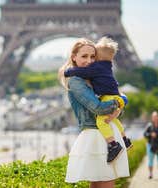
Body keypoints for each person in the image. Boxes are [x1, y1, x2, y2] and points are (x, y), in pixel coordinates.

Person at [60, 38, 129, 188]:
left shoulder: (93, 78)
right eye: (84, 56)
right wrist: (119, 103)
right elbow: (99, 108)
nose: (90, 61)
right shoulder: (76, 81)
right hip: (98, 134)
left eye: (93, 57)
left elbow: (115, 97)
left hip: (103, 134)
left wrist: (119, 103)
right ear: (74, 57)